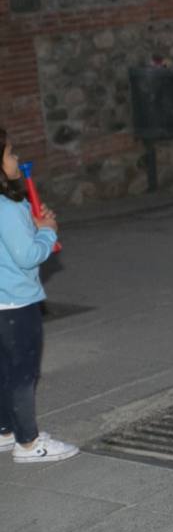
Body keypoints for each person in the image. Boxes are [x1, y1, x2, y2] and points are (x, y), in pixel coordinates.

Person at [0, 129, 77, 463]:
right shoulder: (7, 209)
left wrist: (32, 224)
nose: (16, 159)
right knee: (23, 373)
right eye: (11, 153)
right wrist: (46, 232)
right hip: (17, 304)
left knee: (4, 370)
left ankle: (4, 430)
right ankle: (29, 444)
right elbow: (27, 256)